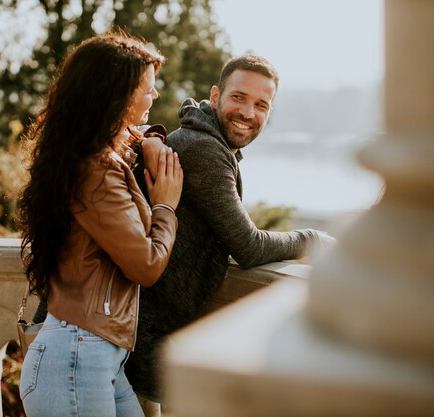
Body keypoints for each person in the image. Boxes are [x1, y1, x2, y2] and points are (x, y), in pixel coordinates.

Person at [124, 54, 336, 402]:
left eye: (261, 105)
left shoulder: (200, 141)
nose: (248, 113)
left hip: (147, 331)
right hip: (140, 334)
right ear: (215, 96)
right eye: (238, 97)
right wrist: (313, 239)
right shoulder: (202, 149)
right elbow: (248, 246)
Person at [17, 32, 183, 417]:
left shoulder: (85, 157)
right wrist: (166, 207)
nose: (155, 97)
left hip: (94, 355)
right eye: (148, 89)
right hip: (78, 357)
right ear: (117, 95)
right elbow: (145, 265)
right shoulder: (96, 170)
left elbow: (132, 140)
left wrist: (151, 141)